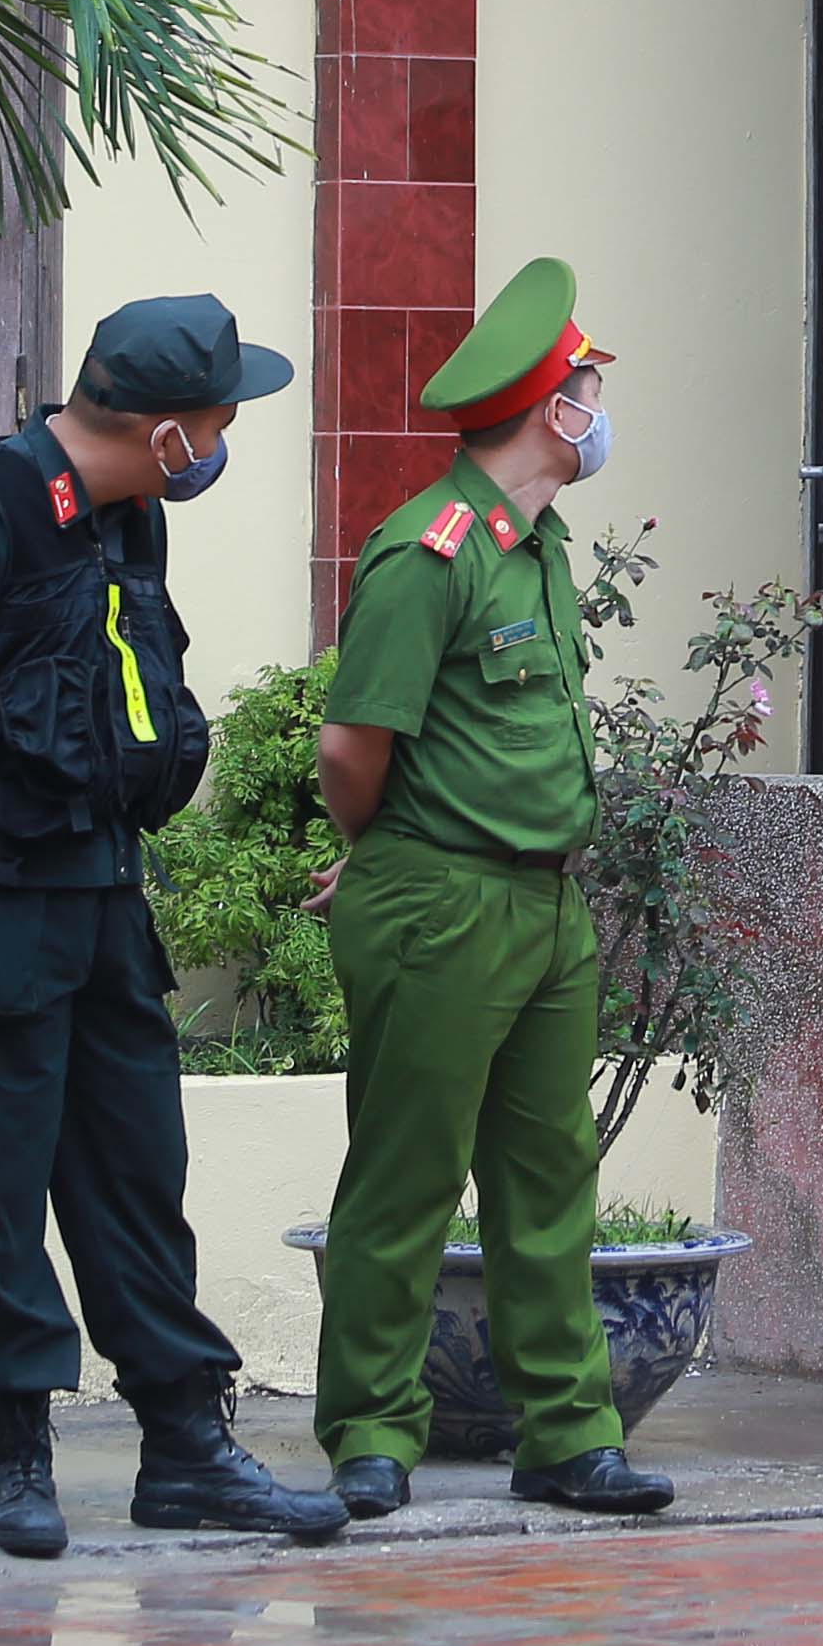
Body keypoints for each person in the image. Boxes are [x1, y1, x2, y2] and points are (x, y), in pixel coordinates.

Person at [0, 296, 347, 1559]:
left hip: (100, 892)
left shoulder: (127, 518)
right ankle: (15, 1459)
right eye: (225, 417)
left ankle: (185, 1444)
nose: (232, 437)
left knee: (134, 1173)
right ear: (170, 432)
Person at [307, 259, 673, 1521]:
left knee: (548, 1180)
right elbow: (352, 751)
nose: (598, 405)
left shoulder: (542, 546)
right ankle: (369, 1430)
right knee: (406, 1178)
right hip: (443, 902)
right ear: (548, 410)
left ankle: (570, 1434)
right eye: (587, 385)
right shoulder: (430, 553)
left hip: (546, 906)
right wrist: (393, 853)